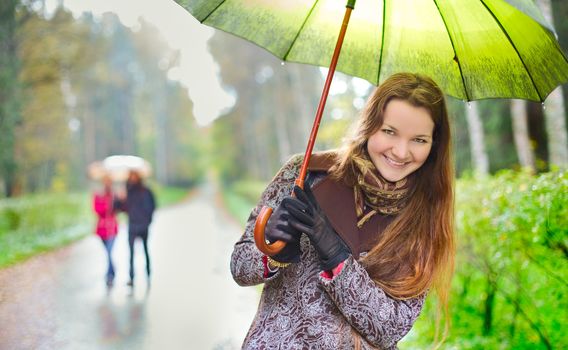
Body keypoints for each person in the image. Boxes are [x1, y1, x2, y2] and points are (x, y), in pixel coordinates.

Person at [230, 72, 455, 349]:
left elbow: (389, 329)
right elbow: (240, 266)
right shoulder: (306, 174)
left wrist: (335, 253)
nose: (400, 151)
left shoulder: (423, 217)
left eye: (419, 140)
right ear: (370, 125)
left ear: (434, 145)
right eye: (389, 132)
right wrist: (272, 250)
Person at [119, 170, 156, 286]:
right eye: (131, 176)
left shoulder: (145, 191)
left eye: (134, 176)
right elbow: (122, 208)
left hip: (143, 225)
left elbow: (152, 206)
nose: (133, 178)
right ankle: (131, 277)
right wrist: (121, 199)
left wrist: (147, 221)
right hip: (132, 225)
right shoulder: (128, 192)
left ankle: (148, 273)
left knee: (145, 250)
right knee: (130, 252)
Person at [92, 174, 119, 287]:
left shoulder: (114, 195)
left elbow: (119, 208)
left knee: (109, 251)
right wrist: (105, 206)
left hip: (112, 228)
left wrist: (117, 201)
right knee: (107, 252)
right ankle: (112, 269)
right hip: (102, 228)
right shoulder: (98, 195)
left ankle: (109, 276)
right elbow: (96, 209)